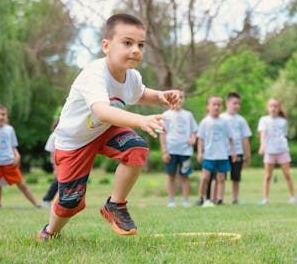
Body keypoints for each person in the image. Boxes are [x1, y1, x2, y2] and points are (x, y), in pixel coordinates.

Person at [37, 14, 180, 241]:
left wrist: (161, 96)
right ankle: (50, 230)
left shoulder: (131, 76)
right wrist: (141, 121)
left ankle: (116, 205)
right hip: (74, 141)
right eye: (127, 43)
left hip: (105, 130)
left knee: (136, 149)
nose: (135, 50)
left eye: (140, 45)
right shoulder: (94, 74)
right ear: (106, 46)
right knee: (70, 202)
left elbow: (140, 94)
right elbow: (103, 111)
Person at [195, 94, 235, 206]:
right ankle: (200, 198)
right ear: (208, 106)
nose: (216, 107)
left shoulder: (224, 122)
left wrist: (233, 152)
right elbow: (200, 139)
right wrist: (200, 152)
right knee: (205, 177)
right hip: (209, 155)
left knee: (221, 178)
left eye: (219, 104)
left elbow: (230, 138)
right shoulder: (205, 122)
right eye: (214, 104)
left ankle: (219, 199)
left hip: (222, 154)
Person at [159, 90, 197, 207]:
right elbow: (162, 134)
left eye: (181, 97)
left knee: (185, 176)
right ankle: (171, 201)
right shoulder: (165, 115)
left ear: (184, 99)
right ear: (170, 99)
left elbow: (194, 130)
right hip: (171, 151)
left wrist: (193, 139)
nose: (179, 100)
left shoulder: (188, 115)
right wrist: (164, 151)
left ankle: (185, 200)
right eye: (176, 97)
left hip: (185, 151)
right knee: (171, 176)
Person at [258, 98, 296, 205]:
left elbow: (284, 135)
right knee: (267, 176)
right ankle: (265, 198)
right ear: (267, 107)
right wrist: (262, 145)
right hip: (270, 151)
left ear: (279, 108)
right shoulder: (264, 120)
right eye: (271, 106)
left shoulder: (283, 121)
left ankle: (292, 197)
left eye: (275, 106)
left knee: (287, 174)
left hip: (282, 150)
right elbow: (263, 134)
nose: (273, 108)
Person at [220, 92, 252, 205]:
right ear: (227, 103)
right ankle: (220, 198)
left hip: (237, 151)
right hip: (223, 152)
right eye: (234, 103)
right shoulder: (221, 118)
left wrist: (247, 154)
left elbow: (245, 138)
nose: (237, 106)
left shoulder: (241, 120)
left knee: (236, 177)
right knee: (221, 177)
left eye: (239, 104)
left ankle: (235, 199)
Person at [41, 119, 60, 208]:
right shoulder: (54, 136)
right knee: (57, 182)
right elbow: (52, 153)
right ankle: (47, 199)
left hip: (68, 162)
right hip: (58, 163)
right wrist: (55, 168)